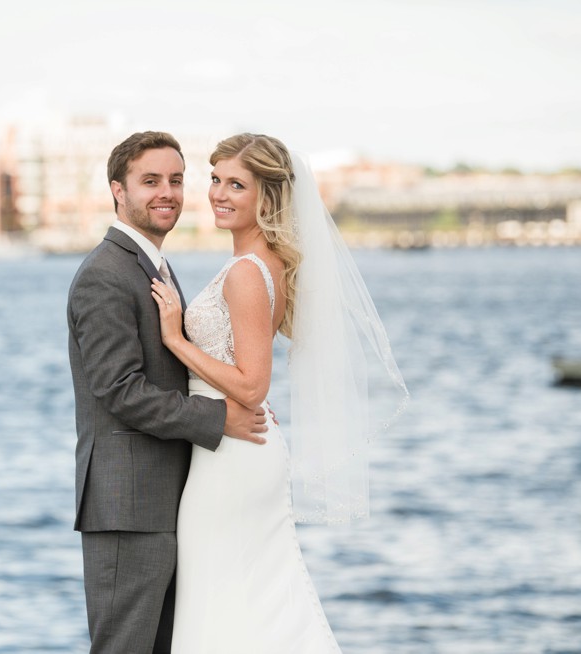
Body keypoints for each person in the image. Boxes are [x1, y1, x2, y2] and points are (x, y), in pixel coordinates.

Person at [150, 133, 409, 652]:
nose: (219, 194)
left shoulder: (248, 272)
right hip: (235, 451)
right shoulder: (257, 264)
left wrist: (175, 339)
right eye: (216, 180)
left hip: (234, 457)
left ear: (266, 197)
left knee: (221, 603)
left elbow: (252, 384)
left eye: (237, 185)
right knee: (247, 602)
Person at [67, 130, 270, 654]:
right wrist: (216, 417)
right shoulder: (105, 274)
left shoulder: (153, 266)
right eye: (150, 180)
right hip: (128, 507)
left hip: (170, 501)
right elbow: (119, 389)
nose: (167, 193)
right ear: (118, 190)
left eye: (176, 180)